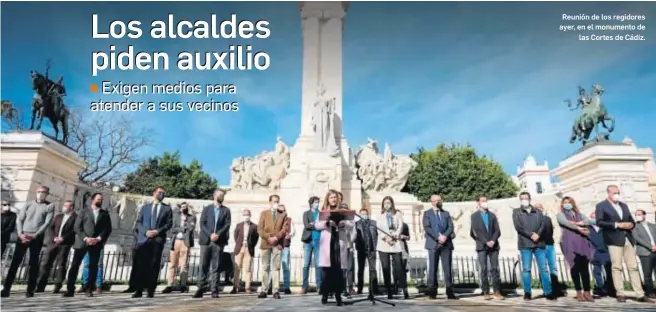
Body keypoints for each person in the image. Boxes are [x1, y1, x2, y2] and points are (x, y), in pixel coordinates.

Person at [595, 185, 651, 303]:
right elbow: (599, 222)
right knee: (617, 267)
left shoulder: (624, 205)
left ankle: (640, 294)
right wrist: (617, 225)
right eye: (615, 192)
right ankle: (620, 293)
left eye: (618, 192)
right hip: (614, 239)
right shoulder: (601, 206)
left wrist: (631, 224)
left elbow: (631, 220)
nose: (617, 194)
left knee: (633, 267)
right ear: (609, 193)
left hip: (627, 239)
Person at [2, 186, 55, 298]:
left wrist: (35, 235)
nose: (41, 194)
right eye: (39, 191)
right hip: (23, 235)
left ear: (47, 194)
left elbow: (47, 223)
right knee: (15, 262)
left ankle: (30, 290)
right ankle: (6, 288)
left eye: (43, 192)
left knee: (33, 264)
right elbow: (20, 219)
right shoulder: (28, 204)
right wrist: (21, 234)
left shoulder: (49, 206)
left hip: (36, 237)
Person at [63, 193, 112, 297]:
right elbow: (77, 227)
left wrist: (98, 239)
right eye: (98, 199)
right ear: (93, 199)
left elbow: (107, 229)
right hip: (82, 243)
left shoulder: (104, 214)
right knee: (75, 266)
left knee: (93, 267)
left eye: (101, 200)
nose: (100, 201)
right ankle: (70, 289)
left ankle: (89, 289)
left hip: (96, 244)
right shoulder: (83, 211)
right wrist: (86, 238)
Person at [511, 191, 555, 301]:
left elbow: (542, 225)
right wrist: (531, 235)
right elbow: (518, 227)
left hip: (539, 244)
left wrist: (538, 234)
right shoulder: (516, 212)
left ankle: (548, 292)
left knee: (544, 269)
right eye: (522, 198)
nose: (524, 200)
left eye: (526, 198)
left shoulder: (538, 212)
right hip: (525, 244)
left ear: (530, 199)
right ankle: (527, 292)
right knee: (526, 269)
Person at [555, 197, 594, 302]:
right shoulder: (560, 215)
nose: (567, 204)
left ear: (573, 203)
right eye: (565, 203)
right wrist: (579, 227)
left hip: (582, 242)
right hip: (569, 242)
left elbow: (588, 221)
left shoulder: (579, 214)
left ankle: (587, 291)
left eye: (569, 202)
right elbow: (565, 223)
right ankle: (578, 291)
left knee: (585, 269)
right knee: (574, 267)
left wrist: (578, 223)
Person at [194, 188, 231, 298]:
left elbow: (227, 224)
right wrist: (210, 234)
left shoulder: (226, 210)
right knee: (203, 265)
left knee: (216, 266)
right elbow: (202, 223)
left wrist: (218, 234)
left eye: (223, 195)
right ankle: (200, 288)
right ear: (214, 196)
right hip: (206, 240)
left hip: (219, 241)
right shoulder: (207, 209)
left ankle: (214, 289)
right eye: (220, 195)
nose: (222, 197)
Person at [36, 200, 76, 294]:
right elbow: (51, 228)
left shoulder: (75, 217)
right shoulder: (58, 216)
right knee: (45, 263)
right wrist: (54, 237)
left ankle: (57, 285)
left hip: (65, 243)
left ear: (71, 207)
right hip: (53, 243)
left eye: (66, 205)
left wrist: (63, 238)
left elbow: (74, 230)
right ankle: (40, 285)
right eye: (64, 205)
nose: (64, 207)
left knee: (61, 265)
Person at [315, 190, 347, 305]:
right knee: (326, 271)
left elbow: (351, 224)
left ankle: (338, 295)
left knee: (338, 270)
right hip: (328, 243)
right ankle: (325, 295)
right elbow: (317, 225)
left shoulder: (343, 211)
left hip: (339, 241)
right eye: (331, 197)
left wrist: (343, 224)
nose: (333, 199)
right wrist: (327, 223)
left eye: (335, 197)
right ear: (327, 199)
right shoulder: (323, 212)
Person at [469, 195, 504, 300]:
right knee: (483, 269)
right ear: (478, 203)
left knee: (494, 269)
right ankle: (486, 291)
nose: (485, 202)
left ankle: (497, 291)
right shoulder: (474, 216)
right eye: (482, 201)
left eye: (486, 201)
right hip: (481, 246)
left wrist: (493, 240)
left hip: (494, 246)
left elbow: (497, 230)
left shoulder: (492, 215)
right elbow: (475, 232)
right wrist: (486, 241)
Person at [423, 194, 457, 300]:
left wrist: (445, 236)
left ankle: (450, 291)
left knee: (447, 269)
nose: (439, 202)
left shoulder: (445, 213)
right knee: (433, 269)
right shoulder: (427, 213)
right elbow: (427, 227)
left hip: (446, 244)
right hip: (433, 243)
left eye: (440, 200)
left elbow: (451, 227)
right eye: (436, 200)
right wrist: (438, 237)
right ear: (432, 202)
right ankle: (432, 292)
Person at [377, 196, 408, 300]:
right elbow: (379, 229)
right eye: (385, 203)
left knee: (399, 268)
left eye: (388, 203)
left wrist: (395, 235)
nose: (387, 205)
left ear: (392, 204)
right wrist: (386, 238)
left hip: (396, 243)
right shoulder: (380, 215)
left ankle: (404, 289)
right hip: (384, 244)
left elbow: (400, 227)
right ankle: (389, 290)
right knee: (386, 268)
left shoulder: (397, 214)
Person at [256, 194, 287, 299]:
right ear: (270, 202)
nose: (276, 203)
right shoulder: (264, 213)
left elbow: (284, 229)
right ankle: (264, 290)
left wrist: (276, 238)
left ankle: (275, 290)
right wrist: (267, 237)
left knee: (276, 268)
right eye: (274, 201)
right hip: (265, 243)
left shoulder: (283, 215)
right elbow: (259, 229)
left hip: (277, 244)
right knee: (265, 267)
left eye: (277, 201)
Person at [162, 202, 196, 293]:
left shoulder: (191, 217)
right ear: (180, 208)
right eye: (182, 207)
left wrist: (185, 221)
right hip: (175, 241)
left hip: (185, 242)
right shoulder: (176, 216)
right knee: (172, 264)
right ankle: (170, 284)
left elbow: (191, 228)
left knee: (183, 265)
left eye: (186, 207)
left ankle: (183, 285)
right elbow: (173, 229)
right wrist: (182, 228)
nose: (184, 208)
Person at [534, 202, 566, 297]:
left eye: (540, 207)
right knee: (543, 269)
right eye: (537, 207)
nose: (539, 209)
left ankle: (555, 289)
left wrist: (555, 240)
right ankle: (547, 291)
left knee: (553, 268)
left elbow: (551, 230)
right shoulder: (533, 220)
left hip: (549, 244)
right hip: (539, 246)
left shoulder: (548, 219)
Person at [587, 211, 615, 297]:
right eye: (592, 217)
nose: (594, 219)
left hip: (606, 251)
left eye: (595, 217)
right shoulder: (587, 228)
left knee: (609, 271)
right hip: (594, 252)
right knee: (597, 271)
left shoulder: (604, 227)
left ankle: (610, 288)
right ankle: (600, 288)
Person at [231, 209, 258, 294]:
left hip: (248, 249)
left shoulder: (254, 226)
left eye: (247, 214)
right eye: (244, 214)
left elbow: (255, 238)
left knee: (248, 268)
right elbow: (235, 236)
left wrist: (250, 245)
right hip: (239, 248)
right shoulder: (239, 225)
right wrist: (239, 244)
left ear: (250, 215)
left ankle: (247, 287)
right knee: (237, 268)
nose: (246, 216)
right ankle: (235, 287)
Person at [631, 209, 656, 298]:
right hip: (645, 252)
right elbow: (637, 238)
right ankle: (650, 292)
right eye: (636, 214)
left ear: (644, 215)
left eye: (639, 214)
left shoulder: (653, 225)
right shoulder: (634, 226)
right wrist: (650, 246)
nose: (637, 216)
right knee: (647, 273)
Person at [300, 196, 322, 294]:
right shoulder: (306, 213)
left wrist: (314, 224)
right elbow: (307, 225)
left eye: (318, 202)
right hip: (308, 240)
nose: (317, 204)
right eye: (315, 202)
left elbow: (323, 226)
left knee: (318, 264)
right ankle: (304, 287)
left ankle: (319, 286)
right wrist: (316, 225)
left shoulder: (321, 214)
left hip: (319, 240)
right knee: (306, 264)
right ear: (311, 203)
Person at [355, 207, 378, 295]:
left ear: (368, 214)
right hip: (361, 249)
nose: (364, 215)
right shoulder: (356, 224)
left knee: (373, 269)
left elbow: (376, 235)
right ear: (360, 215)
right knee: (360, 269)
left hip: (371, 248)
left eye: (365, 214)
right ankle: (360, 288)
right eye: (362, 214)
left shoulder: (373, 223)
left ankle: (373, 289)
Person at [338, 203, 357, 297]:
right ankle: (341, 288)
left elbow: (354, 232)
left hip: (349, 246)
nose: (343, 210)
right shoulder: (337, 220)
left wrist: (350, 240)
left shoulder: (350, 220)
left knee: (349, 268)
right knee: (340, 268)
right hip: (339, 246)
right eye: (342, 209)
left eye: (345, 209)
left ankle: (349, 287)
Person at [279, 204, 296, 294]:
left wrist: (290, 235)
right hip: (276, 245)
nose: (282, 212)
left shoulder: (289, 220)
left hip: (285, 245)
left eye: (283, 211)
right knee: (273, 267)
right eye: (280, 211)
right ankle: (271, 286)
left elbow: (293, 230)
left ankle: (286, 287)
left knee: (285, 267)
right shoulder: (275, 220)